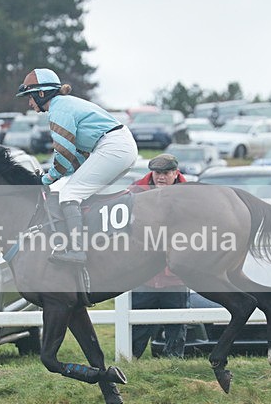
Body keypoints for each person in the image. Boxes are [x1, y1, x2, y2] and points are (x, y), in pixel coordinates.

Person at [15, 67, 138, 264]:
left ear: (41, 93)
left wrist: (45, 179)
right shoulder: (63, 105)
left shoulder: (58, 109)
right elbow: (75, 158)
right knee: (78, 191)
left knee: (69, 194)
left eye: (29, 97)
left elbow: (63, 154)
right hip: (118, 146)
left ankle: (77, 250)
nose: (29, 103)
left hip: (114, 147)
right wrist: (56, 175)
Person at [129, 154, 189, 358]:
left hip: (176, 275)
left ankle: (174, 365)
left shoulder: (190, 196)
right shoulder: (135, 191)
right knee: (137, 327)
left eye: (165, 173)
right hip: (143, 275)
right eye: (157, 173)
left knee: (176, 328)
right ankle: (130, 363)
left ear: (175, 173)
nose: (161, 177)